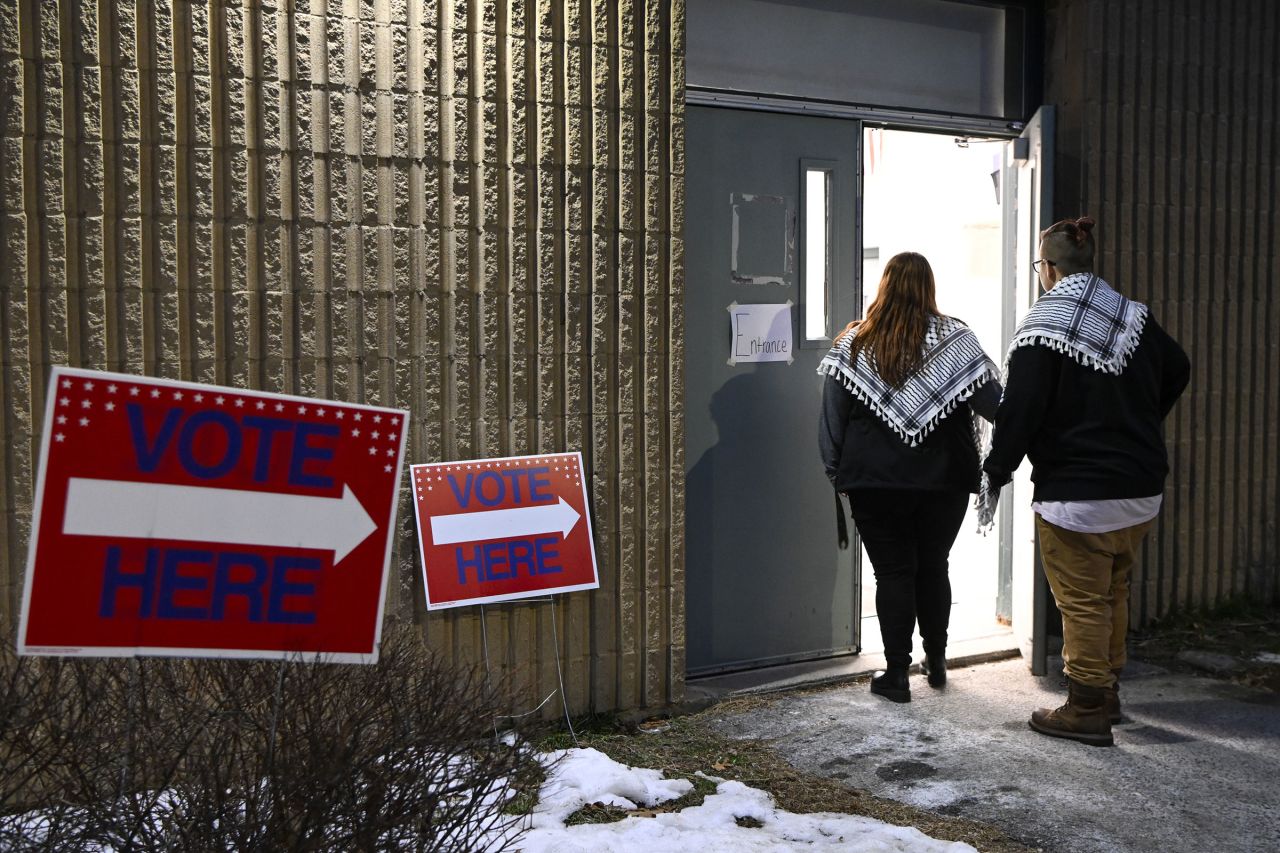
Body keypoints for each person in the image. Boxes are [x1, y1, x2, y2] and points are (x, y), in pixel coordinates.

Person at [979, 216, 1190, 746]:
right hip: (1141, 488)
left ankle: (1087, 707)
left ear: (1048, 269)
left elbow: (1020, 410)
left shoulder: (1045, 325)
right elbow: (1179, 366)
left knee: (1082, 601)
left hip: (1079, 495)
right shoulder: (1130, 317)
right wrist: (1141, 421)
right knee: (1113, 588)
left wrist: (996, 469)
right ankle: (1109, 691)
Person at [819, 251, 1002, 704]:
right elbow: (996, 407)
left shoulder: (855, 343)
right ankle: (936, 660)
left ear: (884, 286)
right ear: (929, 288)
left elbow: (831, 420)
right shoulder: (957, 341)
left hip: (875, 482)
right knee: (933, 564)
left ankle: (897, 673)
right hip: (945, 479)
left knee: (893, 573)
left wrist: (835, 470)